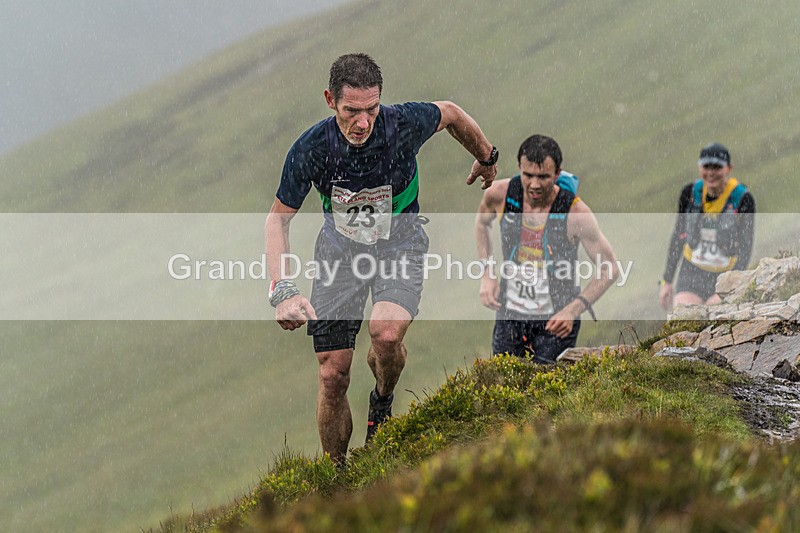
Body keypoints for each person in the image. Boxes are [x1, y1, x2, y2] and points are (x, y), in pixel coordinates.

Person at [264, 53, 498, 464]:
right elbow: (277, 221)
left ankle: (383, 398)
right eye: (352, 111)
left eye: (371, 109)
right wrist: (282, 288)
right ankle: (336, 476)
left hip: (400, 245)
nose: (363, 123)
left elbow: (451, 113)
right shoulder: (312, 148)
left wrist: (486, 156)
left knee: (385, 336)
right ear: (330, 100)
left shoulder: (402, 123)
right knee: (332, 373)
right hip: (339, 257)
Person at [475, 134, 619, 363]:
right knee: (502, 385)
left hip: (556, 321)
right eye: (528, 175)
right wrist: (487, 274)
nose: (534, 184)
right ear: (519, 168)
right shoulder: (499, 195)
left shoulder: (576, 214)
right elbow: (482, 223)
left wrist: (574, 309)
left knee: (543, 393)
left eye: (543, 177)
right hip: (509, 313)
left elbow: (610, 268)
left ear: (558, 173)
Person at [659, 143, 755, 311]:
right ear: (699, 167)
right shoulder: (689, 193)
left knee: (714, 317)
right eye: (706, 166)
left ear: (728, 168)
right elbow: (678, 236)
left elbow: (746, 246)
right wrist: (667, 281)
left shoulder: (743, 199)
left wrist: (735, 283)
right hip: (691, 272)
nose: (711, 173)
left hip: (726, 273)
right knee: (684, 317)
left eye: (717, 167)